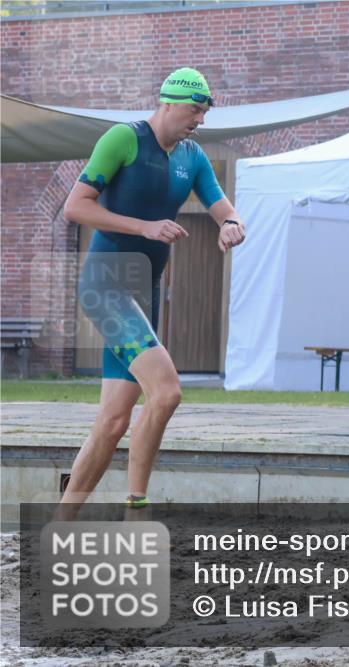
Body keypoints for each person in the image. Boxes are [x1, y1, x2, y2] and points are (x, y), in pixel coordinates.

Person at [59, 67, 246, 516]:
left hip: (142, 293)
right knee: (166, 392)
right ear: (167, 102)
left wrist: (232, 226)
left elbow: (222, 207)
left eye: (204, 113)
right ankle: (136, 509)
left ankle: (60, 523)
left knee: (113, 421)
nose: (199, 120)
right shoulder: (123, 139)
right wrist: (144, 226)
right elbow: (75, 206)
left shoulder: (193, 157)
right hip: (106, 284)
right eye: (194, 110)